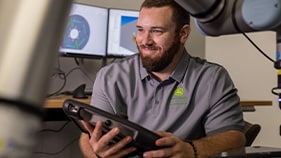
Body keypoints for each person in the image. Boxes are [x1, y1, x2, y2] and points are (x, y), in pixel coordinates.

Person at [79, 0, 246, 157]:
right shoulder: (111, 76)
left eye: (156, 31)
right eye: (140, 30)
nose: (144, 41)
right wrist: (97, 153)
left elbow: (234, 137)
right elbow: (90, 134)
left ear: (183, 34)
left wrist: (191, 150)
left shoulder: (212, 78)